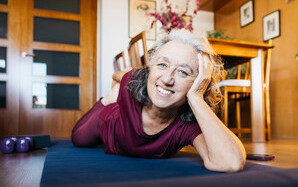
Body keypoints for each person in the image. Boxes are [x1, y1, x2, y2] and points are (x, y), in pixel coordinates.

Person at [71, 29, 246, 172]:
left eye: (183, 72)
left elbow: (231, 163)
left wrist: (196, 98)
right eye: (162, 65)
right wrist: (115, 87)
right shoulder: (133, 79)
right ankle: (110, 98)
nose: (168, 79)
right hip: (110, 124)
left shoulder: (189, 123)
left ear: (199, 82)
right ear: (151, 69)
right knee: (79, 139)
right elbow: (120, 75)